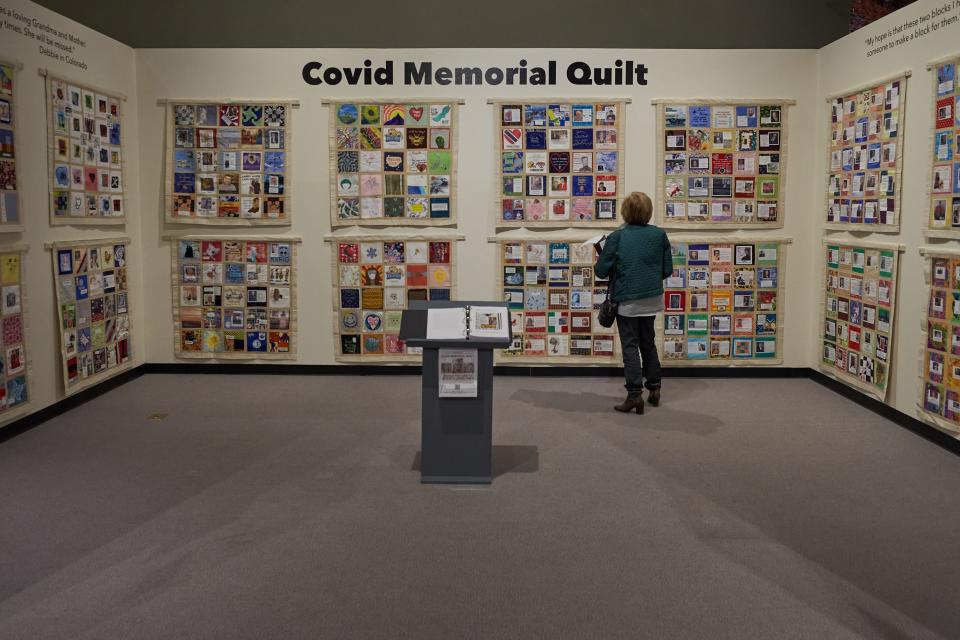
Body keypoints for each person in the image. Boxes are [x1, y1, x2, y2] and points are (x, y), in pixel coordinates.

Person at [595, 191, 673, 415]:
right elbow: (667, 269)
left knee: (630, 346)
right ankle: (655, 389)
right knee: (648, 342)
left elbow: (601, 272)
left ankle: (634, 395)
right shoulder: (659, 235)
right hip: (652, 299)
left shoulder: (617, 237)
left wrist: (602, 254)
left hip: (627, 300)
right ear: (648, 212)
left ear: (625, 212)